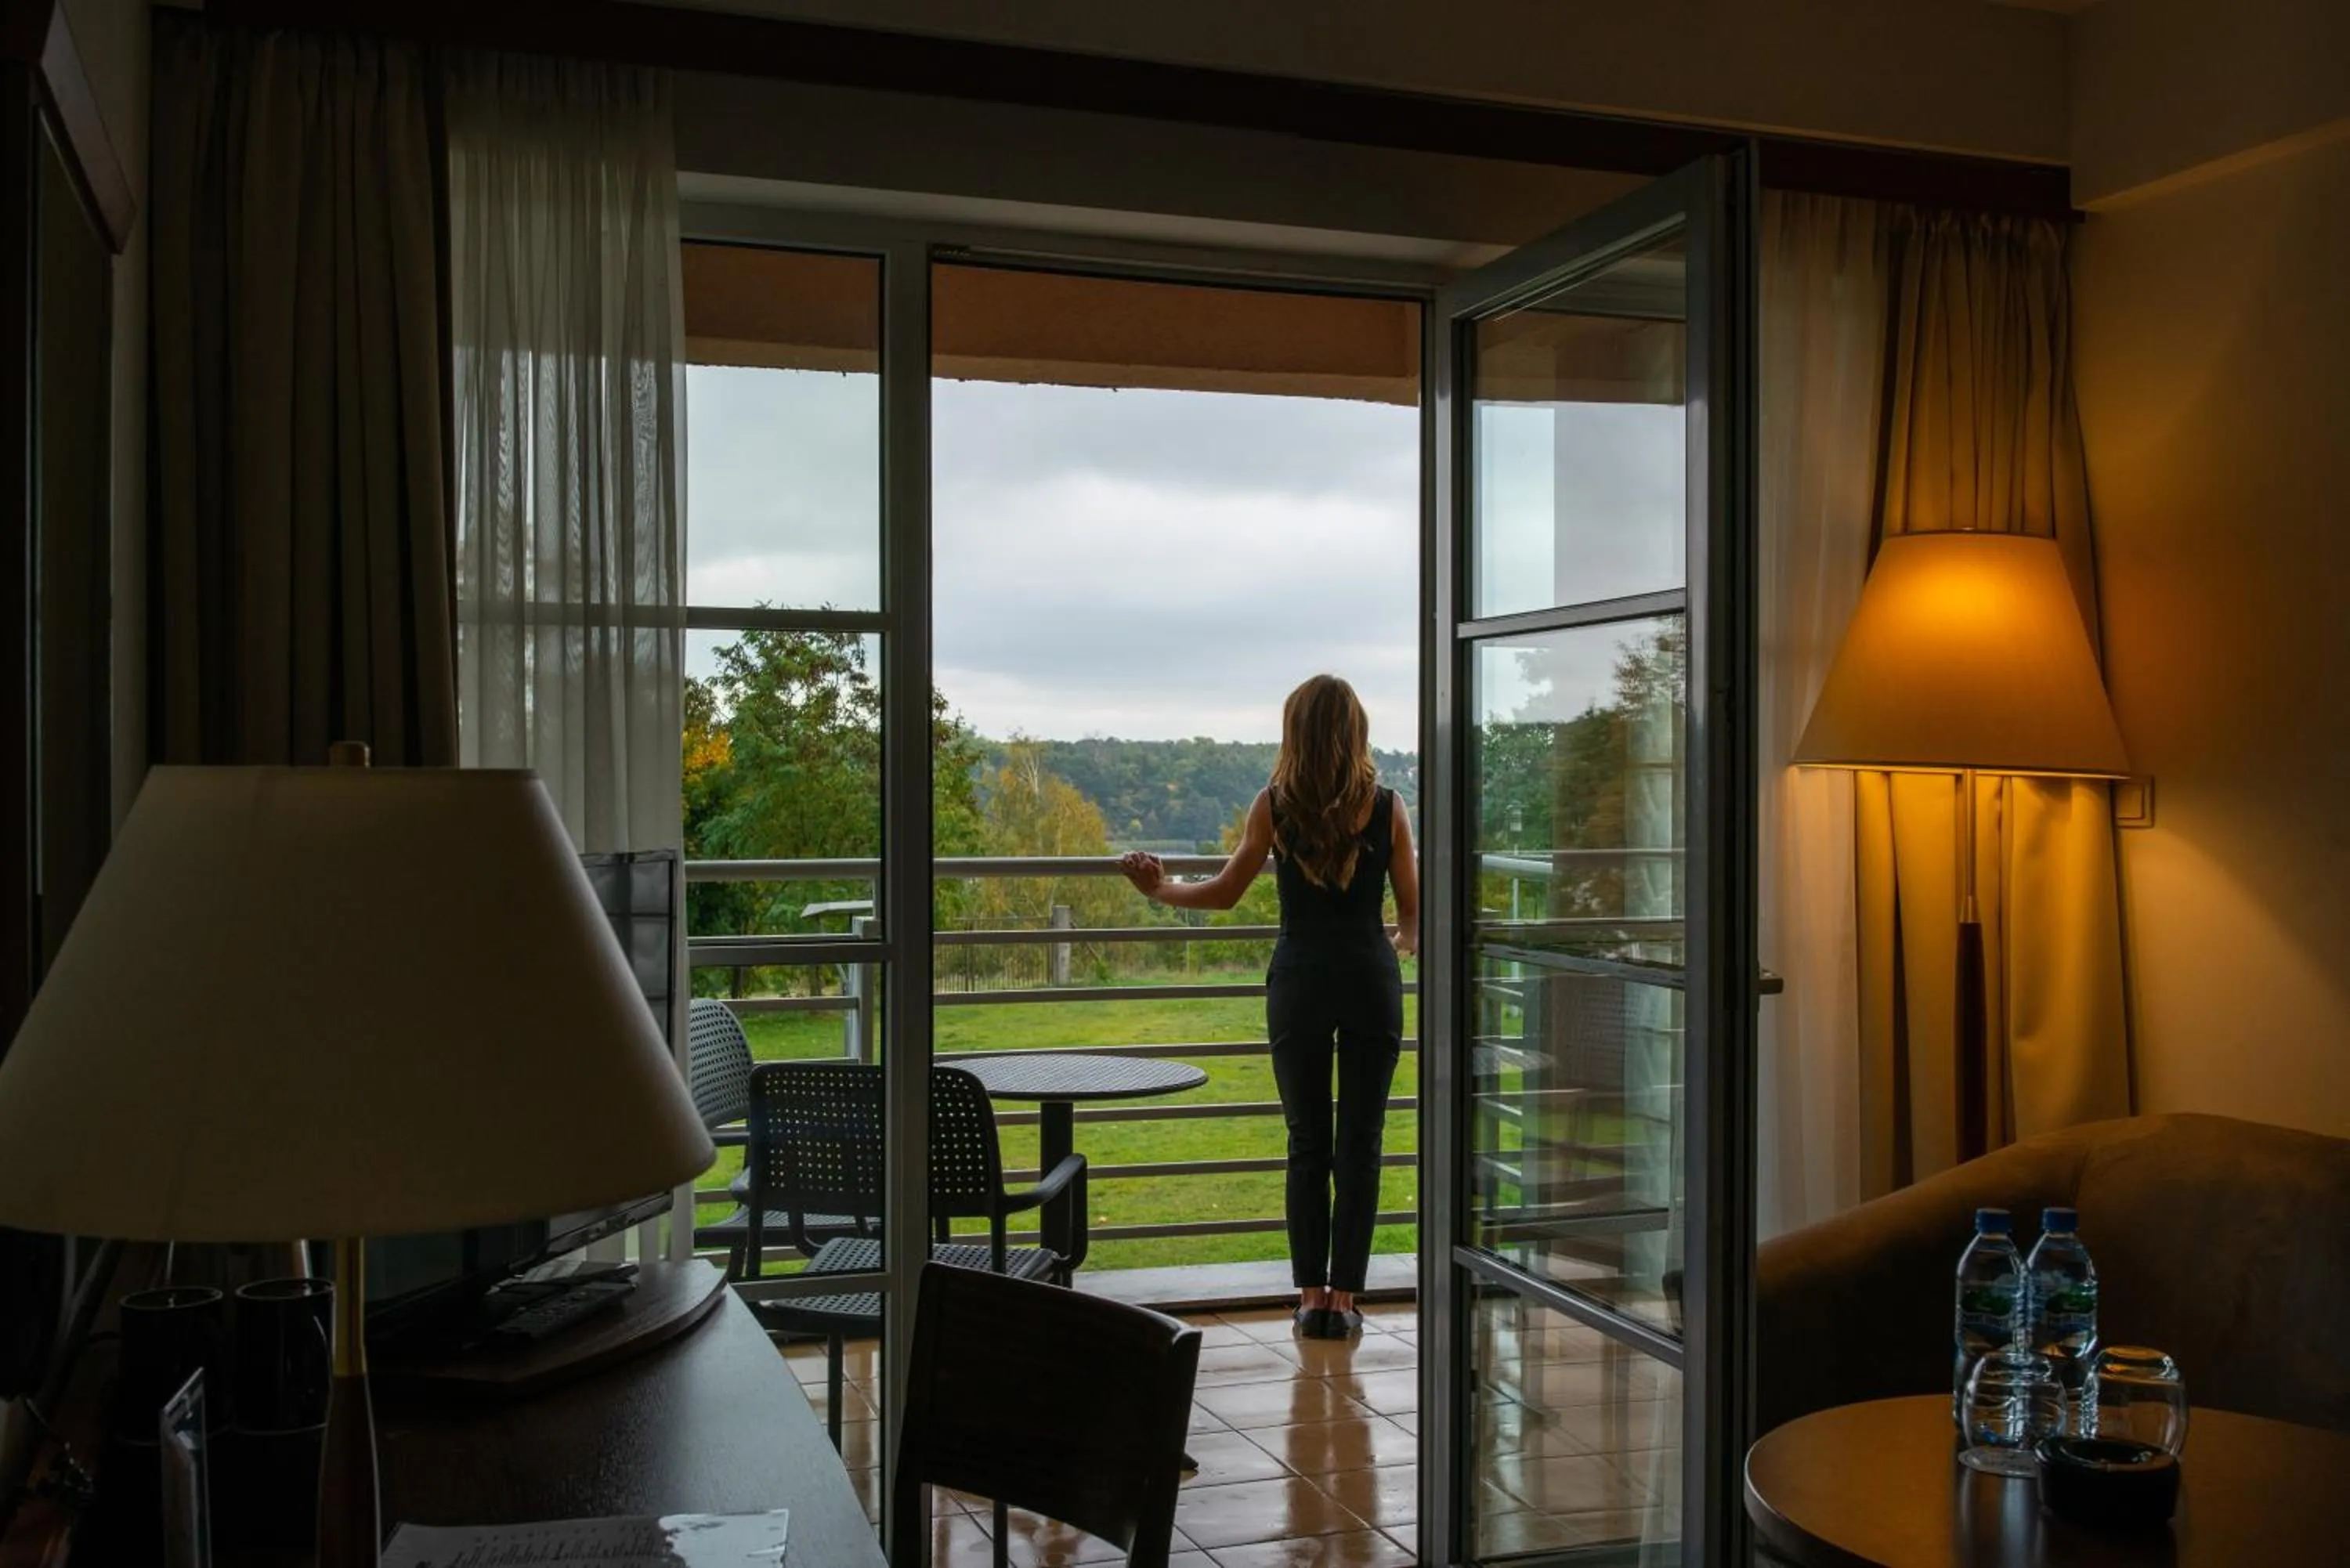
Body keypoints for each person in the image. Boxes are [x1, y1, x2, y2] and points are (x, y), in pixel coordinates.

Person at [1120, 674, 1418, 1339]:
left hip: (1300, 981)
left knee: (1307, 1142)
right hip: (1369, 978)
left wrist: (1158, 889)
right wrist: (1396, 946)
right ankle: (1345, 1301)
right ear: (1356, 730)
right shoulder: (1388, 806)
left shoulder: (1273, 805)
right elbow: (1412, 914)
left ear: (1295, 732)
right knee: (1361, 1143)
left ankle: (1309, 1299)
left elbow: (1224, 893)